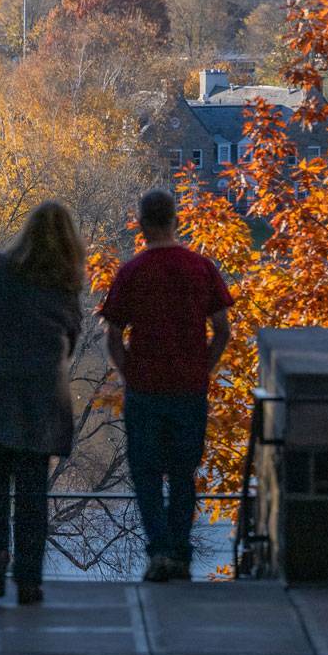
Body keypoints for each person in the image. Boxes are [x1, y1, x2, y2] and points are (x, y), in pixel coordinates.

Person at [99, 189, 233, 583]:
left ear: (141, 224)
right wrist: (203, 369)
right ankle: (180, 551)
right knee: (183, 473)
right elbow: (222, 330)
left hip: (145, 391)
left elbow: (112, 335)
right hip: (189, 390)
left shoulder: (132, 271)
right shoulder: (201, 267)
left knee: (145, 474)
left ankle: (158, 551)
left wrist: (129, 375)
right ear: (176, 220)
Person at [0, 201, 84, 605]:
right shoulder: (63, 284)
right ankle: (29, 578)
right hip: (39, 395)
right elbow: (72, 336)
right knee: (32, 489)